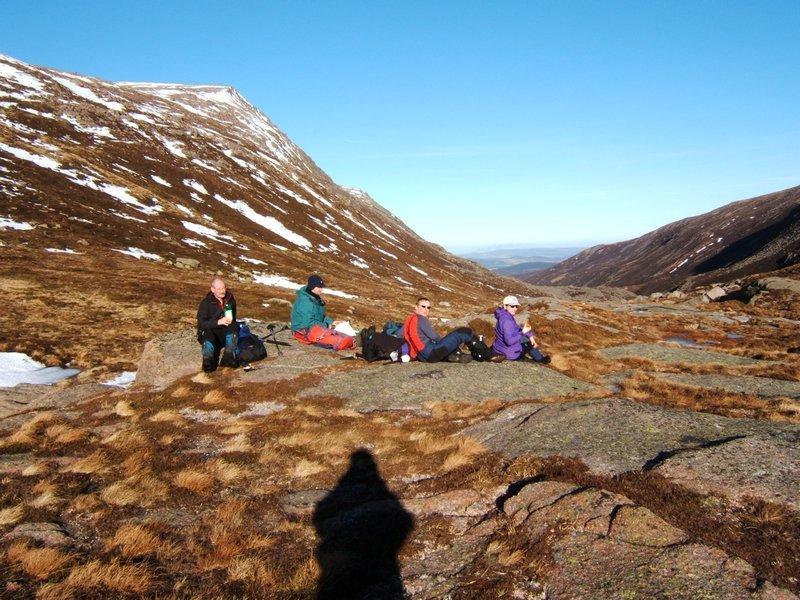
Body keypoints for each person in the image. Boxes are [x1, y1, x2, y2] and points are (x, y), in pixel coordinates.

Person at [291, 275, 355, 351]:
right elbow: (307, 324)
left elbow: (319, 316)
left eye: (322, 287)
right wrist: (328, 325)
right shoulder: (305, 302)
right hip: (301, 331)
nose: (321, 290)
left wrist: (332, 322)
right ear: (312, 286)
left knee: (346, 337)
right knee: (341, 341)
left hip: (314, 327)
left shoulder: (315, 298)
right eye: (319, 287)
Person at [403, 297, 475, 363]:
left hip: (422, 357)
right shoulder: (421, 318)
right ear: (416, 307)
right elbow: (434, 336)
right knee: (464, 332)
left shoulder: (410, 319)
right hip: (430, 352)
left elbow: (400, 335)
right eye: (423, 306)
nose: (426, 309)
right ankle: (483, 354)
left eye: (428, 307)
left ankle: (456, 356)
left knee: (446, 347)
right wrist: (443, 342)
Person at [197, 277, 238, 372]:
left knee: (234, 326)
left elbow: (233, 317)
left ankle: (228, 357)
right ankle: (208, 361)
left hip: (224, 333)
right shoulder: (206, 303)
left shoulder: (230, 299)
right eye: (219, 289)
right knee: (208, 332)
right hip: (211, 333)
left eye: (223, 288)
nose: (222, 291)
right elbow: (201, 324)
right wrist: (218, 322)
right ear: (213, 290)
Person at [492, 295, 551, 363]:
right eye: (512, 306)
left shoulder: (504, 315)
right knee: (529, 344)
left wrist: (530, 336)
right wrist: (523, 333)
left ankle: (537, 356)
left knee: (524, 338)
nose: (515, 308)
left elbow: (517, 328)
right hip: (509, 354)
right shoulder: (507, 321)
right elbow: (509, 341)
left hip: (499, 348)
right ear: (505, 306)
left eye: (516, 306)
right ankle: (541, 360)